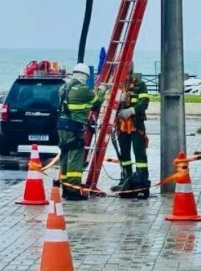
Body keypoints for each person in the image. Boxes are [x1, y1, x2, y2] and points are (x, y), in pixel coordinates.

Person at [57, 63, 105, 201]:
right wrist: (102, 90)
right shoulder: (83, 90)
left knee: (65, 156)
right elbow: (97, 102)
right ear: (84, 76)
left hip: (61, 126)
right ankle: (73, 190)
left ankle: (65, 188)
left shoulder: (63, 88)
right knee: (75, 159)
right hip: (75, 128)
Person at [111, 62, 151, 198]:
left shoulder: (140, 85)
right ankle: (126, 181)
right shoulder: (117, 86)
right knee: (124, 156)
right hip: (121, 126)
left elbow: (144, 102)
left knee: (140, 154)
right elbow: (109, 105)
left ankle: (142, 183)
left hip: (136, 124)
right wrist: (117, 100)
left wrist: (132, 110)